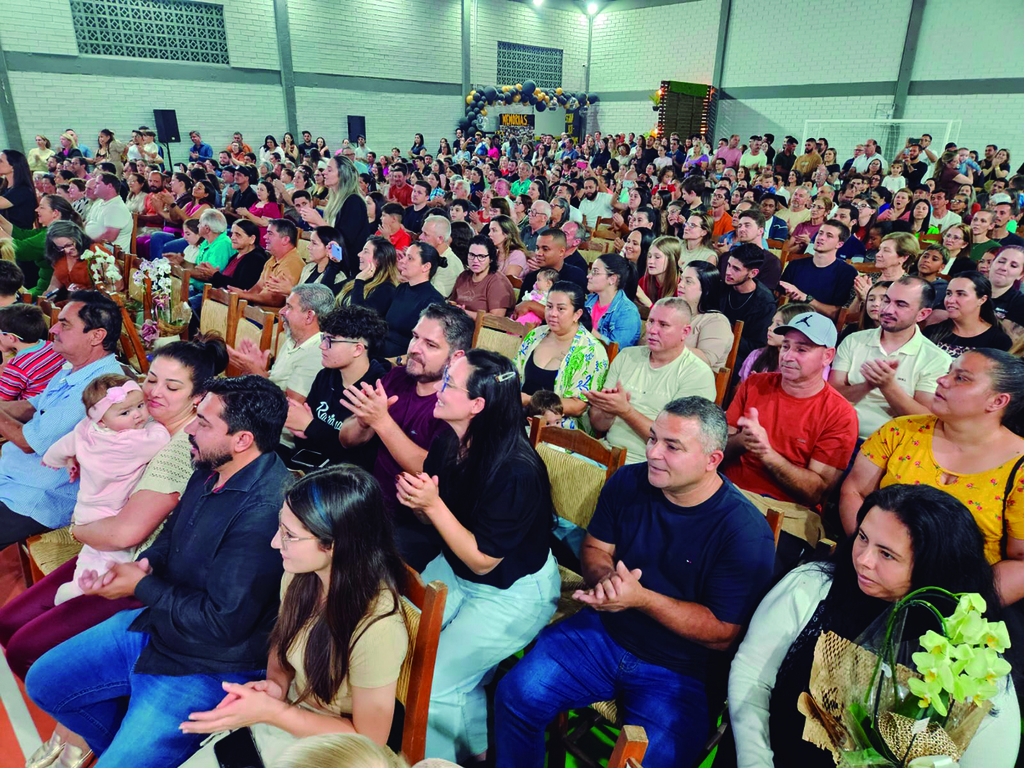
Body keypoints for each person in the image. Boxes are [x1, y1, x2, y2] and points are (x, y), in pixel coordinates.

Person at [25, 376, 291, 767]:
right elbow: (173, 535)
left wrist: (143, 586)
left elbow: (224, 623)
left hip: (209, 663)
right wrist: (144, 564)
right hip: (161, 625)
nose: (190, 430)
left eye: (203, 422)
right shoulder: (210, 463)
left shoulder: (266, 511)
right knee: (46, 682)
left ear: (242, 440)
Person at [496, 397, 776, 767]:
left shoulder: (743, 531)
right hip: (604, 634)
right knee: (516, 696)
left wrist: (641, 599)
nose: (654, 453)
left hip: (681, 671)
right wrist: (608, 581)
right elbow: (596, 547)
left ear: (712, 460)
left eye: (672, 446)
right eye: (653, 439)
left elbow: (725, 632)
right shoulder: (630, 480)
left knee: (647, 762)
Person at [729, 484, 1020, 767]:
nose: (864, 560)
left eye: (887, 554)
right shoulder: (812, 586)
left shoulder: (972, 658)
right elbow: (753, 676)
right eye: (863, 538)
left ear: (936, 565)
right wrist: (756, 759)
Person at [0, 335, 226, 697]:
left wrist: (79, 528)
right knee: (8, 622)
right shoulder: (135, 417)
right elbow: (89, 433)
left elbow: (125, 535)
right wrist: (80, 455)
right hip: (100, 543)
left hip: (135, 567)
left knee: (26, 650)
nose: (153, 392)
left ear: (197, 397)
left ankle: (83, 711)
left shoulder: (182, 447)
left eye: (172, 386)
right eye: (151, 378)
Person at [178, 466, 409, 766]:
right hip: (292, 718)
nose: (275, 542)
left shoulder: (377, 628)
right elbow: (282, 643)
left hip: (337, 751)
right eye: (280, 528)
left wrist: (274, 712)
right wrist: (276, 685)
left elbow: (368, 742)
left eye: (290, 535)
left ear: (335, 545)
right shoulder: (300, 577)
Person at [396, 350, 558, 762]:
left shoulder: (516, 469)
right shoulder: (452, 437)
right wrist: (421, 503)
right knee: (401, 645)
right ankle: (476, 754)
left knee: (432, 684)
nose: (441, 388)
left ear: (478, 405)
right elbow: (446, 517)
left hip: (510, 593)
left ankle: (436, 760)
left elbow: (484, 560)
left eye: (450, 383)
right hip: (457, 566)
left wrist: (431, 507)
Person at [841, 348, 1024, 604]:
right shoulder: (900, 431)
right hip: (868, 580)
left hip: (954, 600)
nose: (942, 380)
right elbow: (855, 491)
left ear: (997, 401)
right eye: (949, 372)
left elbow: (1021, 560)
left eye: (961, 378)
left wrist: (959, 604)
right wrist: (868, 557)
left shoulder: (1020, 467)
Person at [337, 303, 473, 570]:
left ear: (455, 357)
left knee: (354, 567)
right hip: (372, 502)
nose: (414, 349)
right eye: (414, 337)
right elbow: (347, 439)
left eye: (430, 345)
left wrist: (381, 422)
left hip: (418, 523)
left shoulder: (456, 403)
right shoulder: (398, 377)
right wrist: (364, 423)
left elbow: (432, 469)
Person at [0, 292, 123, 548]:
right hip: (15, 476)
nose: (53, 329)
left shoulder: (98, 387)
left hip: (34, 497)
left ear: (96, 336)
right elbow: (33, 406)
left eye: (65, 324)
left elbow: (28, 442)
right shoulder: (75, 368)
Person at [40, 375, 171, 605]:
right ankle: (91, 591)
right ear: (101, 421)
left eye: (140, 405)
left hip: (85, 509)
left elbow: (57, 449)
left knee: (90, 552)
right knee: (117, 558)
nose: (138, 415)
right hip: (112, 513)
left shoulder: (85, 430)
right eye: (125, 413)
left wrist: (65, 460)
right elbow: (161, 438)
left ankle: (78, 581)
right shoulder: (130, 444)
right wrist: (158, 423)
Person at [724, 312, 858, 510]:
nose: (787, 356)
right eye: (785, 346)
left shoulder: (840, 414)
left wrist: (766, 453)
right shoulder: (754, 384)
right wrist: (744, 440)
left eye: (801, 350)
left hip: (785, 510)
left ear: (827, 356)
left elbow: (816, 492)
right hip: (727, 491)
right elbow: (718, 449)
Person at [588, 299, 716, 464]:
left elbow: (674, 442)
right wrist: (606, 410)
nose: (653, 330)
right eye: (651, 322)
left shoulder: (697, 374)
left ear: (685, 332)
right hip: (605, 452)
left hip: (653, 464)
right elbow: (599, 425)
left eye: (663, 325)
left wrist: (625, 411)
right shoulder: (627, 356)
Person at [831, 277, 952, 442]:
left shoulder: (936, 359)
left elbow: (925, 419)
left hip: (891, 445)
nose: (887, 310)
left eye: (900, 305)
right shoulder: (854, 340)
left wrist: (888, 386)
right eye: (886, 301)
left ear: (922, 314)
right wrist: (867, 386)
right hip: (837, 432)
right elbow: (832, 395)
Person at [284, 305, 389, 471]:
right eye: (323, 339)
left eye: (330, 341)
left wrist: (311, 427)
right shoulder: (325, 376)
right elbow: (303, 439)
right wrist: (308, 429)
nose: (322, 347)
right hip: (311, 466)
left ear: (357, 349)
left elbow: (357, 456)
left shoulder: (378, 390)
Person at [514, 281, 609, 431]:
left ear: (577, 314)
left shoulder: (590, 351)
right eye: (549, 306)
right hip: (520, 417)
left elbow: (578, 406)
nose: (552, 314)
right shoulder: (536, 335)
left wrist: (530, 401)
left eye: (561, 309)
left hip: (559, 428)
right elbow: (515, 374)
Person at [229, 284, 332, 405]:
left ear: (309, 316)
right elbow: (276, 383)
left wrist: (257, 373)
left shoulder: (317, 351)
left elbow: (291, 405)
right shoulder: (293, 338)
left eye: (289, 307)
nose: (281, 312)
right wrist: (257, 370)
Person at [299, 156, 373, 279]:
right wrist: (317, 225)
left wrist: (320, 222)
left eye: (329, 170)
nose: (324, 173)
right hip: (336, 264)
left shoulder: (353, 201)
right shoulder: (336, 200)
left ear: (342, 174)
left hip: (349, 269)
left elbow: (343, 241)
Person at [778, 220, 858, 320]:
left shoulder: (847, 273)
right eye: (820, 233)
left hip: (820, 324)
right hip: (789, 318)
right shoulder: (795, 265)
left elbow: (838, 314)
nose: (821, 238)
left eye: (829, 235)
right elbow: (779, 298)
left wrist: (806, 298)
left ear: (839, 244)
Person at [382, 243, 447, 358]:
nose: (402, 261)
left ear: (426, 267)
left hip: (403, 358)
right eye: (405, 256)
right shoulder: (402, 288)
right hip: (382, 349)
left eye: (410, 258)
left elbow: (427, 343)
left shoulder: (433, 300)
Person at [924, 272, 1011, 357]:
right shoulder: (931, 332)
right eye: (949, 293)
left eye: (960, 294)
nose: (950, 300)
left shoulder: (998, 341)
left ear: (982, 300)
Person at [720, 244, 778, 369]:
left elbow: (756, 346)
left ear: (753, 273)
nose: (728, 272)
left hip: (740, 356)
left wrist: (727, 333)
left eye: (736, 269)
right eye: (728, 265)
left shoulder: (765, 303)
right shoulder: (721, 287)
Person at [229, 218, 304, 308]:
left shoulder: (292, 263)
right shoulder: (272, 259)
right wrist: (244, 294)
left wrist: (244, 295)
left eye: (270, 233)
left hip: (272, 317)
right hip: (257, 311)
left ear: (285, 240)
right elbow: (258, 287)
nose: (265, 237)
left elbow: (276, 300)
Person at [737, 302, 815, 382]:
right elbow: (738, 389)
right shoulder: (756, 356)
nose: (770, 328)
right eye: (772, 322)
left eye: (778, 325)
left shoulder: (812, 367)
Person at [677, 260, 733, 371]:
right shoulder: (677, 311)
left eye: (688, 281)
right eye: (681, 279)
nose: (680, 285)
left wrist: (668, 345)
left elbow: (705, 359)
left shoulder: (717, 322)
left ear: (706, 289)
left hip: (695, 381)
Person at [0, 303, 64, 400]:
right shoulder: (51, 346)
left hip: (26, 410)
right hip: (51, 399)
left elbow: (3, 399)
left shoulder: (17, 367)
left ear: (11, 337)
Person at [448, 234, 516, 319]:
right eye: (472, 255)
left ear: (491, 259)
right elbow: (452, 304)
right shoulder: (464, 276)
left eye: (481, 256)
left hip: (486, 330)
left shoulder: (498, 282)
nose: (475, 260)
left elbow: (496, 318)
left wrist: (463, 313)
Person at [584, 253, 642, 348]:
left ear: (612, 279)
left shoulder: (627, 312)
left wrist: (588, 329)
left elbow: (616, 350)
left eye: (595, 272)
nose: (588, 276)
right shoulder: (587, 301)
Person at [336, 236, 400, 317]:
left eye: (365, 252)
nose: (359, 254)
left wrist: (359, 281)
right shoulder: (359, 277)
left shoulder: (386, 289)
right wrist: (334, 264)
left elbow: (360, 316)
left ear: (379, 260)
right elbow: (328, 293)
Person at [299, 225, 347, 295]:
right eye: (310, 242)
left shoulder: (338, 278)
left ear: (329, 249)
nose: (308, 247)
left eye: (314, 243)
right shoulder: (307, 268)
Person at [0, 149, 37, 230]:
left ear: (13, 166)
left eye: (1, 161)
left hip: (19, 237)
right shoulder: (4, 187)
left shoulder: (23, 190)